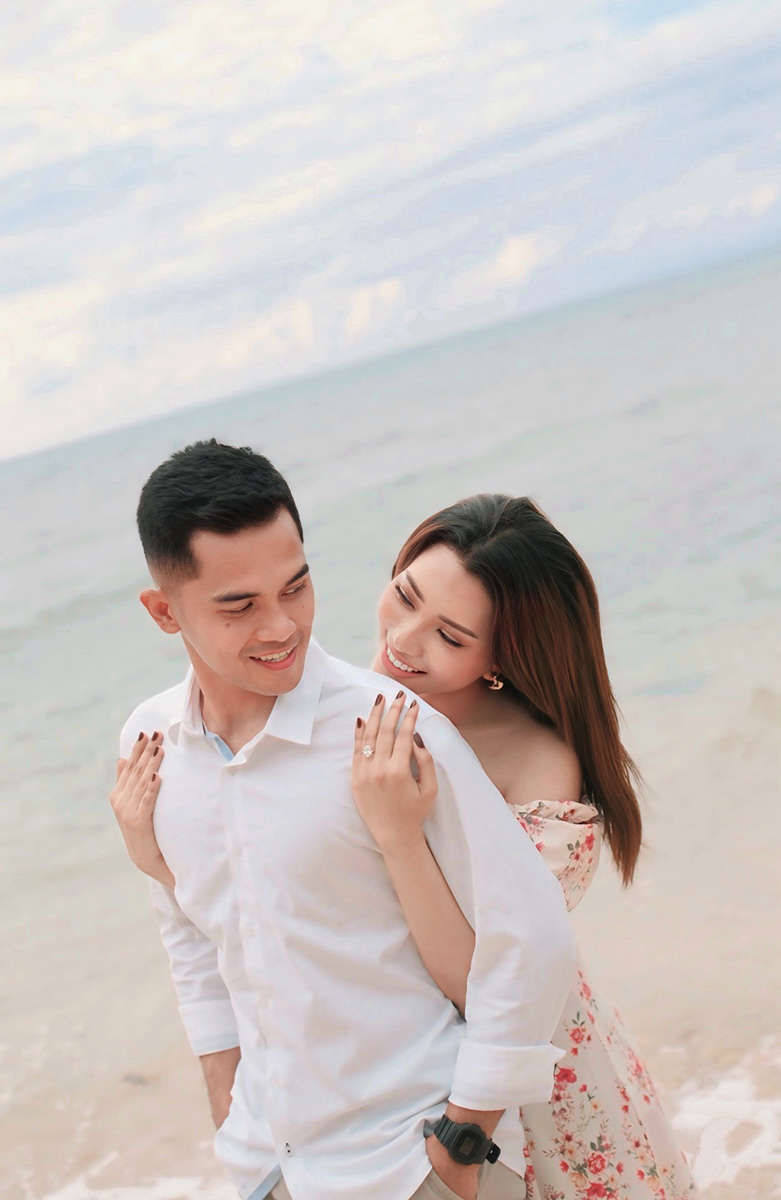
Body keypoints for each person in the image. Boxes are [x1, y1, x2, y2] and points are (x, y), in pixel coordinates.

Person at [116, 488, 701, 1199]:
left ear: (500, 655)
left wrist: (399, 837)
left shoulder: (533, 763)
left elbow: (483, 980)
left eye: (449, 637)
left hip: (524, 1083)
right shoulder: (353, 710)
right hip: (389, 1113)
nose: (403, 640)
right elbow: (293, 916)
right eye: (404, 596)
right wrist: (166, 863)